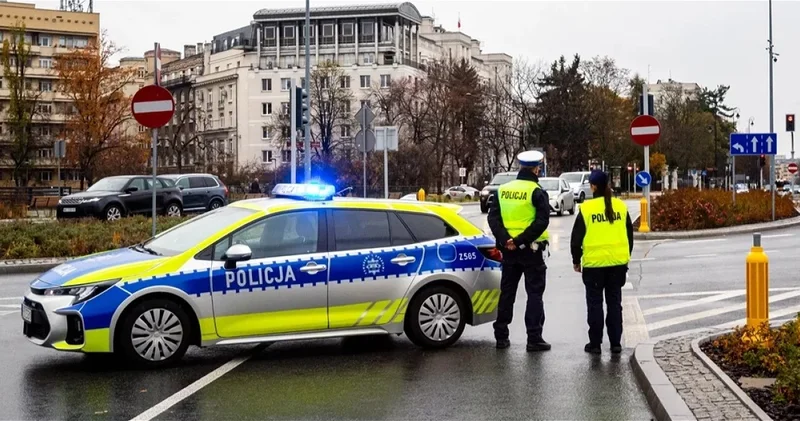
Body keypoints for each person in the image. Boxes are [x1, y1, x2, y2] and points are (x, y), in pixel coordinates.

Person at [488, 150, 551, 352]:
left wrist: (505, 239)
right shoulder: (536, 191)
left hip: (508, 252)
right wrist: (520, 241)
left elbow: (493, 218)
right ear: (535, 168)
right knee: (534, 294)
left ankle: (501, 336)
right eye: (538, 167)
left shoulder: (503, 190)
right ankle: (534, 338)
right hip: (530, 251)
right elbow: (542, 222)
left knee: (507, 293)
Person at [570, 170, 634, 355]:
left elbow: (576, 238)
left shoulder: (587, 209)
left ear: (593, 186)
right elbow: (629, 236)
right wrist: (625, 257)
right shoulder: (620, 207)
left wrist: (576, 260)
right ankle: (615, 343)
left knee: (595, 304)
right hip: (617, 265)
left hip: (594, 266)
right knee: (614, 304)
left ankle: (595, 344)